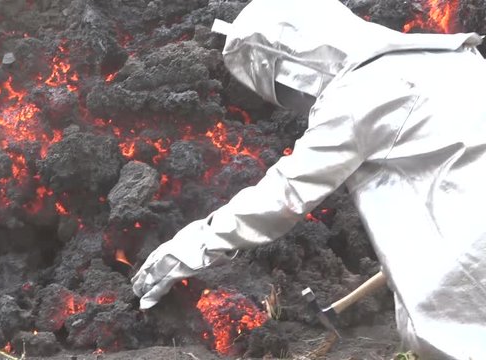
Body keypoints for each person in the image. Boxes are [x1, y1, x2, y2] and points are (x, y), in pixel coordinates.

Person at [131, 0, 486, 358]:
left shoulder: (358, 93)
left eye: (283, 89)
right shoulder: (450, 55)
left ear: (295, 61)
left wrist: (189, 249)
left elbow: (285, 194)